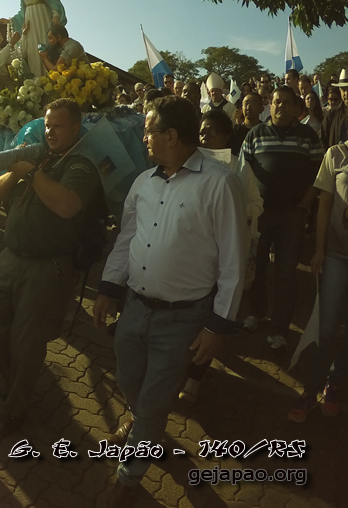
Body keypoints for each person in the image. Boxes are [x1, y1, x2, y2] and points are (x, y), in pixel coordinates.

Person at [93, 96, 247, 506]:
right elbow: (127, 238)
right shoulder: (143, 182)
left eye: (149, 130)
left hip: (182, 319)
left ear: (172, 135)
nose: (144, 137)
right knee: (129, 380)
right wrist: (108, 287)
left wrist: (217, 325)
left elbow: (234, 261)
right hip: (134, 308)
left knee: (156, 398)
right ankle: (143, 422)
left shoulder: (219, 183)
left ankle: (129, 476)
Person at [0, 99, 102, 435]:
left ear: (75, 128)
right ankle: (17, 382)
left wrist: (31, 173)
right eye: (47, 125)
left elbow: (67, 206)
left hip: (47, 267)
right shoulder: (38, 158)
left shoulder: (80, 165)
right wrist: (18, 168)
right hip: (11, 259)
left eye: (58, 126)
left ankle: (16, 406)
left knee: (27, 342)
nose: (50, 132)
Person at [180, 110, 263, 401]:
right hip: (192, 255)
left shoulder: (239, 167)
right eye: (202, 131)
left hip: (222, 256)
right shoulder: (187, 163)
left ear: (227, 137)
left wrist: (233, 206)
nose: (205, 137)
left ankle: (195, 376)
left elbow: (257, 204)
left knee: (209, 316)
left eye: (213, 132)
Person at [288, 99, 348, 421]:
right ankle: (310, 389)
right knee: (326, 329)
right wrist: (318, 249)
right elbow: (324, 205)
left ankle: (335, 382)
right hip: (338, 256)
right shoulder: (336, 155)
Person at [242, 87, 324, 346]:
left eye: (287, 102)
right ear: (271, 104)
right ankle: (256, 312)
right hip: (261, 215)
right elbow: (243, 173)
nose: (281, 106)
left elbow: (320, 174)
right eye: (277, 101)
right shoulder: (255, 134)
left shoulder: (308, 135)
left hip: (292, 215)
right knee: (257, 267)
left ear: (296, 107)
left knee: (286, 272)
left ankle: (279, 327)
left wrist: (304, 204)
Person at [322, 69, 348, 148]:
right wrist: (330, 154)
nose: (346, 93)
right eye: (343, 90)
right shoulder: (332, 114)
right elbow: (323, 137)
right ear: (340, 90)